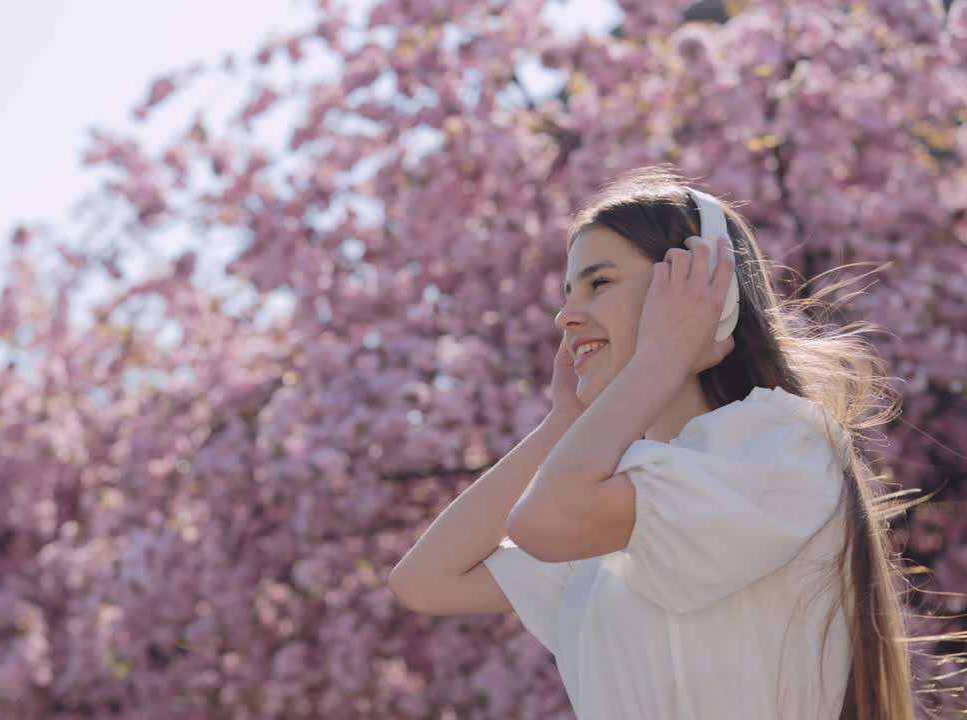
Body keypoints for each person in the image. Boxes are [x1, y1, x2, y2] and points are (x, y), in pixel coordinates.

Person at [388, 165, 927, 719]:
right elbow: (424, 581)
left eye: (599, 284)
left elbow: (542, 520)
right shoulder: (619, 507)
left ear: (705, 296)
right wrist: (564, 423)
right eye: (568, 293)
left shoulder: (780, 445)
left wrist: (662, 356)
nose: (565, 316)